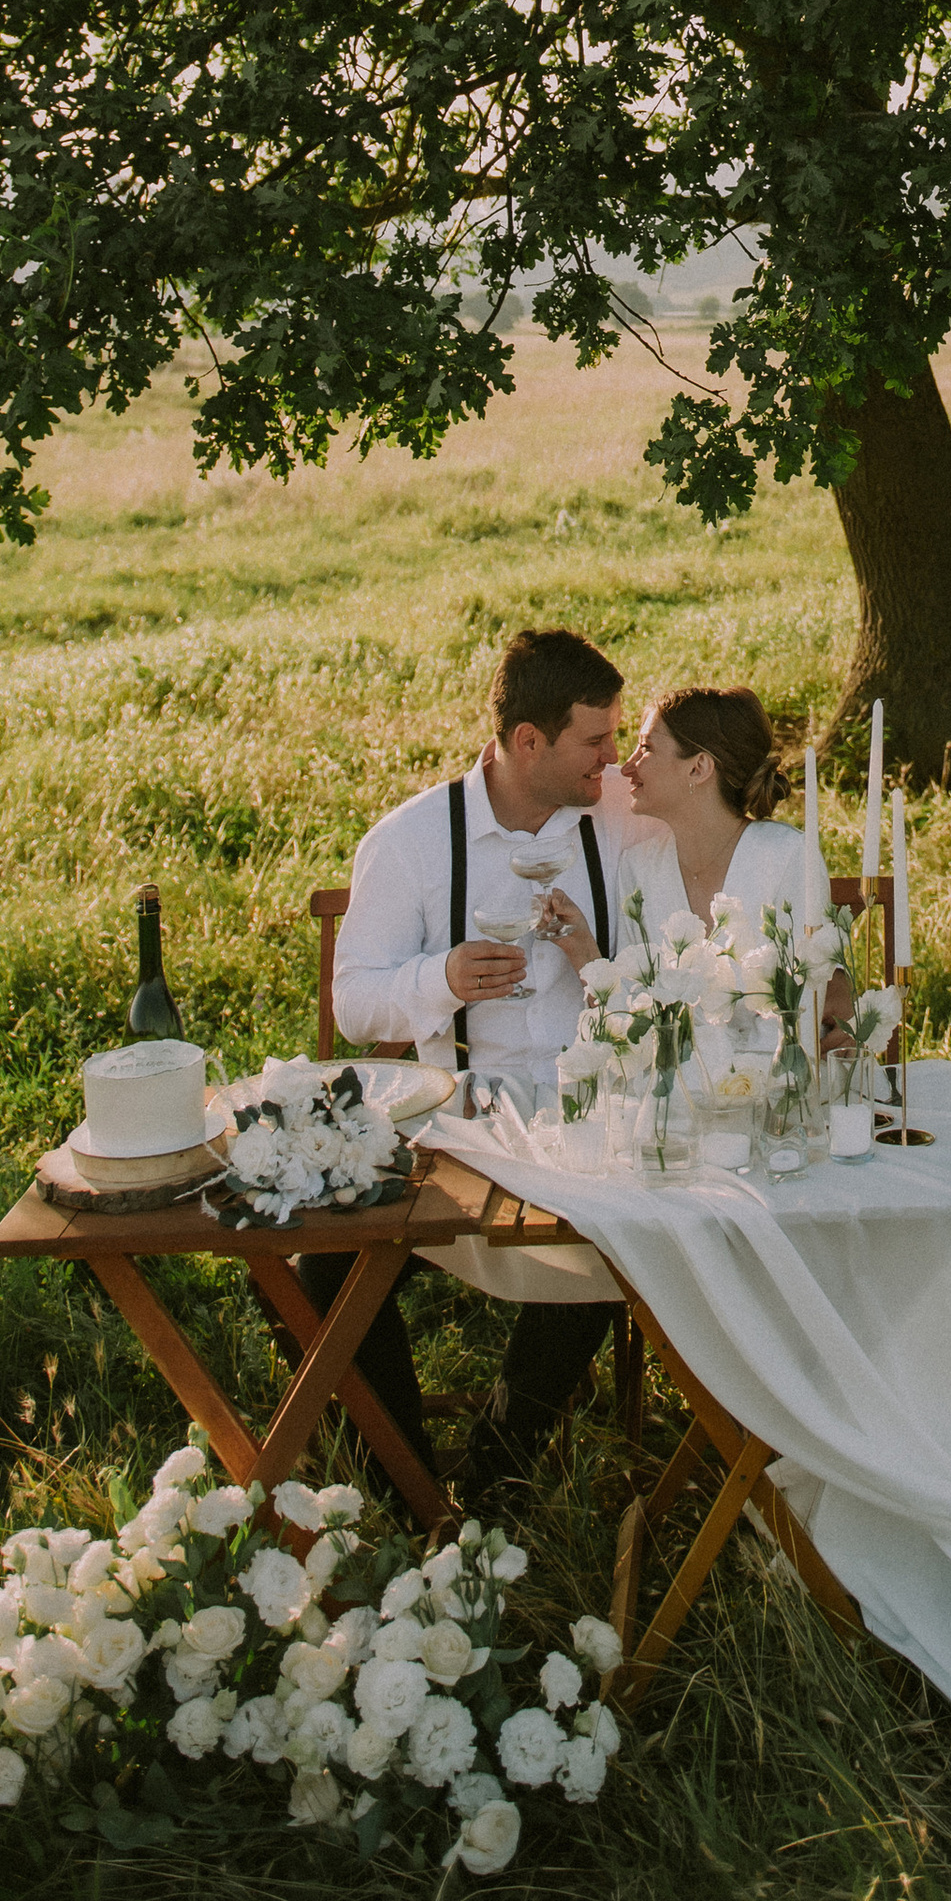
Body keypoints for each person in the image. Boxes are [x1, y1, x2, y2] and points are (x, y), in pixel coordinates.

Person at [294, 626, 648, 1507]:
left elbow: (676, 952)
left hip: (590, 1126)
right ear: (528, 741)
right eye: (595, 740)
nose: (614, 757)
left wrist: (599, 957)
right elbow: (356, 1002)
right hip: (456, 1130)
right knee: (322, 1267)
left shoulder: (623, 824)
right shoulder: (411, 841)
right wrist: (441, 979)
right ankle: (408, 1488)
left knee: (617, 1239)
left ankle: (494, 1480)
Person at [581, 688, 858, 1051]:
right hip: (675, 1082)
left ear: (698, 767)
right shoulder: (638, 869)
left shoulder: (786, 856)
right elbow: (637, 1011)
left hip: (780, 1078)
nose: (628, 766)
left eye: (646, 748)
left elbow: (801, 1015)